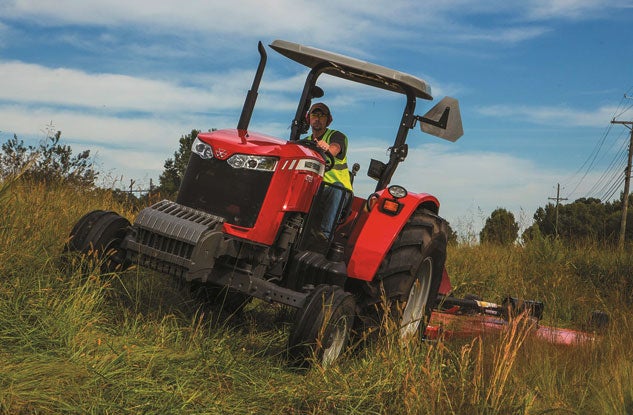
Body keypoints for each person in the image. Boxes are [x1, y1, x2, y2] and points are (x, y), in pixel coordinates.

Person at [304, 102, 353, 239]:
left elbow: (335, 148)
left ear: (328, 120)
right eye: (315, 114)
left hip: (336, 191)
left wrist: (326, 149)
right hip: (313, 188)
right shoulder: (305, 141)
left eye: (322, 115)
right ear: (309, 118)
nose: (318, 118)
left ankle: (324, 237)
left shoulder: (337, 136)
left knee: (337, 187)